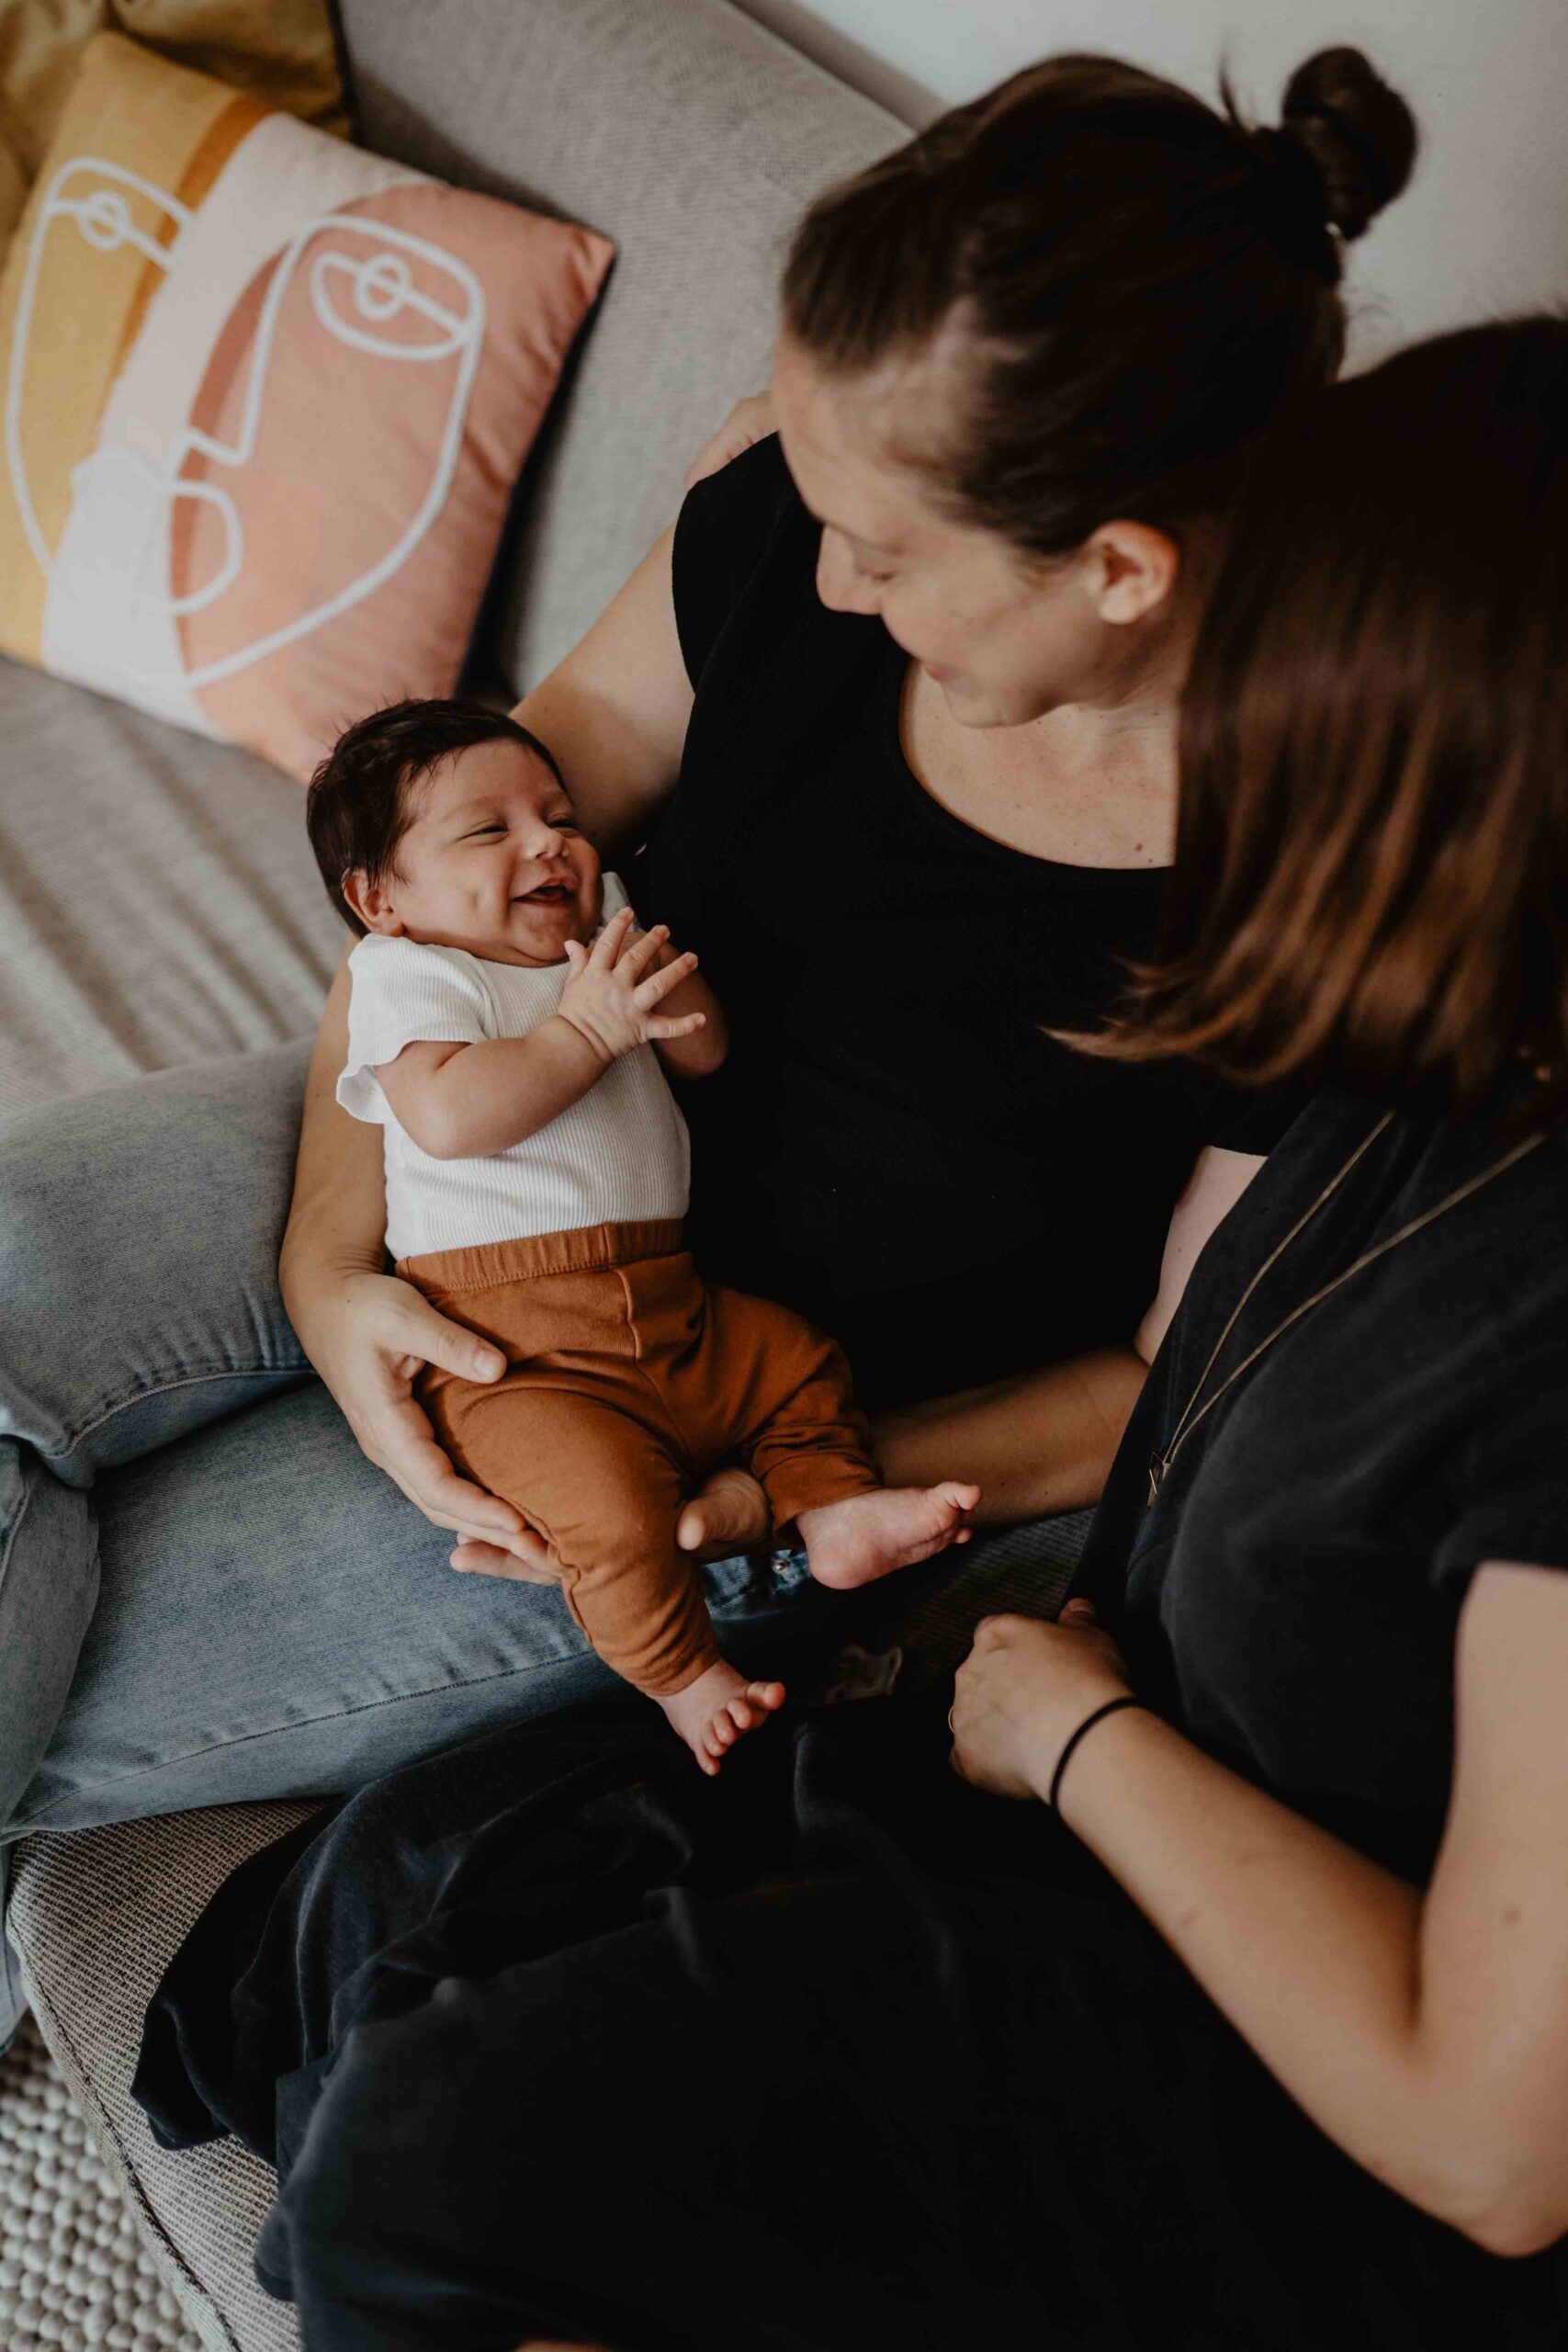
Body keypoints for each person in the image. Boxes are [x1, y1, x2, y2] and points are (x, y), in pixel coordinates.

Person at [137, 316, 1568, 2352]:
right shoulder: (1420, 1079)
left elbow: (1497, 2140)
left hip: (1097, 1794)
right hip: (1002, 1665)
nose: (1228, 741)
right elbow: (427, 900)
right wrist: (327, 1251)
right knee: (367, 1906)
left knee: (424, 2133)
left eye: (1289, 673)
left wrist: (1046, 1711)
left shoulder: (1419, 1170)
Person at [0, 44, 1414, 2044]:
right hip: (463, 1098)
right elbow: (471, 835)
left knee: (60, 1701)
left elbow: (1169, 1376)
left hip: (690, 1410)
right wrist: (335, 1247)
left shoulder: (1326, 884)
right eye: (810, 498)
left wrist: (765, 1491)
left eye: (883, 552)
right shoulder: (795, 515)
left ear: (1118, 568)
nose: (818, 574)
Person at [309, 697, 976, 1765]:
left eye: (561, 815)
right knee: (608, 1520)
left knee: (798, 1366)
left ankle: (835, 1512)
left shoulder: (602, 939)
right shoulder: (410, 976)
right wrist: (584, 1028)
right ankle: (681, 1671)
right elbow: (448, 1117)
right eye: (490, 831)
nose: (550, 843)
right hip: (519, 1347)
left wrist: (661, 990)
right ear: (379, 896)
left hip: (675, 1302)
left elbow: (703, 1055)